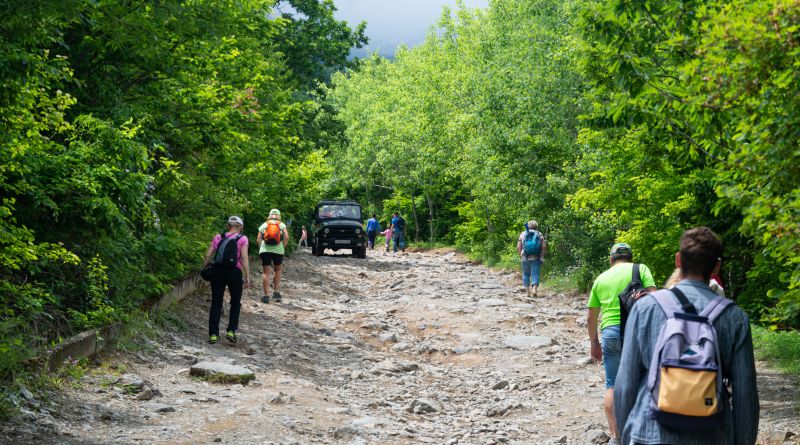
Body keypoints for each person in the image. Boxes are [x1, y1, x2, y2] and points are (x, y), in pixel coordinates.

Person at [614, 227, 758, 445]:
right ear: (716, 266)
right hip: (713, 435)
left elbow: (626, 384)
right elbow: (745, 394)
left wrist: (627, 436)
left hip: (649, 432)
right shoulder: (734, 318)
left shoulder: (646, 308)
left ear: (678, 260)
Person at [587, 242, 657, 445]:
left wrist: (594, 342)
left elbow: (591, 318)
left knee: (612, 385)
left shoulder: (601, 278)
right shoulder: (640, 269)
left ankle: (616, 437)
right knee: (645, 381)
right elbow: (655, 298)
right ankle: (644, 432)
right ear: (630, 257)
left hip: (610, 333)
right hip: (638, 331)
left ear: (611, 259)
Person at [202, 216, 250, 344]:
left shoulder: (219, 237)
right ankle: (231, 331)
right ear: (240, 227)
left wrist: (204, 267)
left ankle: (213, 334)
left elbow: (208, 254)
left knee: (216, 302)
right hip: (234, 272)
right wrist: (247, 277)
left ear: (228, 226)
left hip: (217, 271)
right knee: (235, 302)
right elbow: (244, 258)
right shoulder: (243, 238)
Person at [258, 209, 289, 304]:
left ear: (270, 215)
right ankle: (275, 292)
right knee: (278, 269)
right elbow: (287, 237)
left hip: (265, 250)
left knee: (266, 272)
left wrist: (261, 249)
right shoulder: (281, 224)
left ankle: (266, 295)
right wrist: (282, 247)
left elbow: (258, 239)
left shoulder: (265, 224)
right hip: (278, 250)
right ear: (279, 215)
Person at [516, 220, 547, 298]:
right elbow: (543, 246)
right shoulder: (539, 234)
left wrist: (520, 254)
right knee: (535, 274)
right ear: (536, 226)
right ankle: (534, 290)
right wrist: (542, 255)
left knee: (526, 274)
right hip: (536, 256)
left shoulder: (523, 233)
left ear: (528, 226)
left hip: (525, 256)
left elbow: (518, 246)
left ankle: (527, 293)